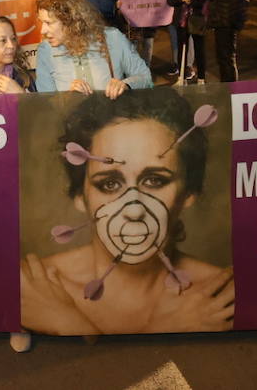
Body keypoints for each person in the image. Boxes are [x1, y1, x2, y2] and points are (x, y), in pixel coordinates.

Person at [19, 87, 234, 335]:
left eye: (155, 180)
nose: (133, 212)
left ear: (188, 193)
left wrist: (71, 325)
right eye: (109, 184)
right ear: (80, 195)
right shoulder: (34, 289)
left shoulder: (218, 297)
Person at [34, 0, 150, 94]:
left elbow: (145, 77)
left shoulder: (112, 38)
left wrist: (126, 85)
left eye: (49, 23)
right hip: (70, 117)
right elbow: (46, 101)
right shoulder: (45, 50)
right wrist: (68, 98)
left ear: (70, 21)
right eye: (42, 22)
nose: (43, 30)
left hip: (112, 115)